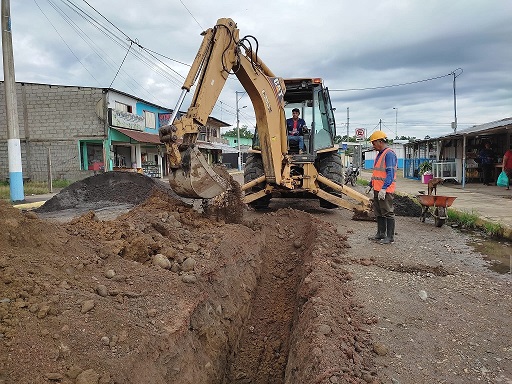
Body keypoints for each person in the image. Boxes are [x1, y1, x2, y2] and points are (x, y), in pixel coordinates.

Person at [366, 131, 397, 244]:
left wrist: (384, 188)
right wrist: (371, 184)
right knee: (379, 212)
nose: (373, 146)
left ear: (380, 141)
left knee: (388, 212)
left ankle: (390, 237)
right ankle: (380, 234)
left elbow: (390, 173)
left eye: (374, 143)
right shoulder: (380, 154)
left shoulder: (389, 154)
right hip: (377, 189)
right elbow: (377, 173)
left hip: (385, 190)